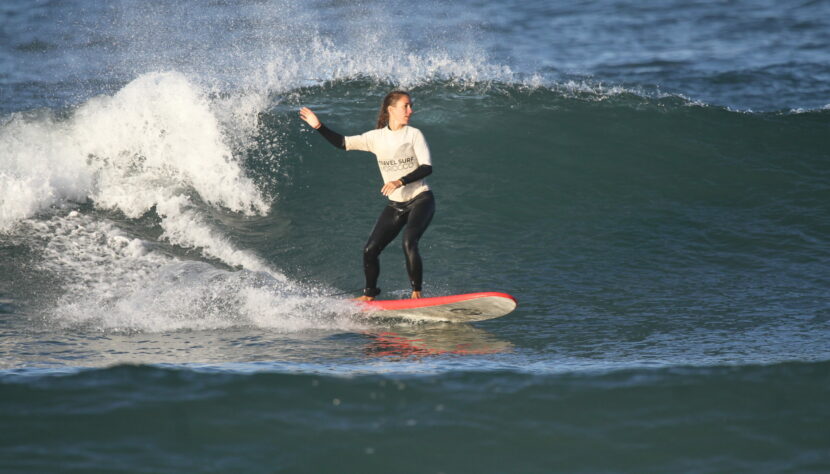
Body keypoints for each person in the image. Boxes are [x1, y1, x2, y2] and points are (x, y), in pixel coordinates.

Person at [299, 91, 435, 302]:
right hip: (397, 204)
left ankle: (417, 293)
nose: (410, 110)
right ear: (391, 110)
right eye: (405, 106)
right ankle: (369, 295)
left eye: (410, 106)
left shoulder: (413, 134)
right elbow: (343, 143)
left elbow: (427, 167)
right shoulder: (375, 138)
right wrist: (319, 127)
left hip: (421, 199)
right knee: (370, 250)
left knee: (409, 241)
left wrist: (400, 181)